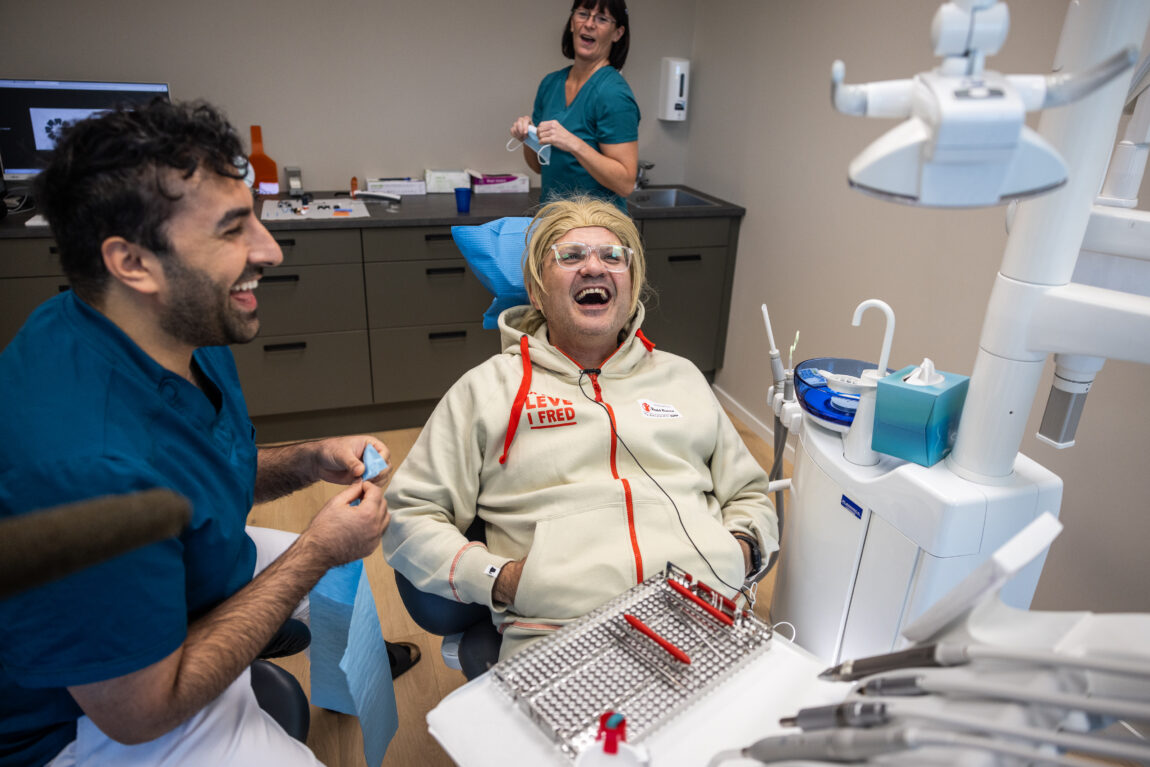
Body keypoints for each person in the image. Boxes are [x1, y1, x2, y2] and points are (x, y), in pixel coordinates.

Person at [0, 100, 414, 767]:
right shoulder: (78, 469)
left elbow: (190, 469)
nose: (270, 249)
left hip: (151, 568)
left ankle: (331, 679)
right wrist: (312, 551)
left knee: (349, 584)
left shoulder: (169, 324)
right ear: (133, 262)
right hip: (92, 717)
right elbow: (141, 711)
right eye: (232, 230)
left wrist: (306, 461)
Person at [382, 196, 778, 661]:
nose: (594, 267)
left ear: (631, 286)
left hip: (706, 614)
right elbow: (409, 514)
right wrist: (500, 579)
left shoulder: (684, 378)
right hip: (561, 634)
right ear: (536, 291)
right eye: (570, 256)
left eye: (614, 257)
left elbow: (748, 494)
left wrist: (741, 550)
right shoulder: (488, 389)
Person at [509, 0, 640, 209]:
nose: (589, 24)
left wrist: (574, 144)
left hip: (596, 231)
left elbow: (624, 184)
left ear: (617, 33)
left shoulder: (613, 93)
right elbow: (539, 167)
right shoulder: (550, 84)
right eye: (583, 14)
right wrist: (528, 138)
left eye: (602, 19)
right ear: (572, 22)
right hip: (554, 222)